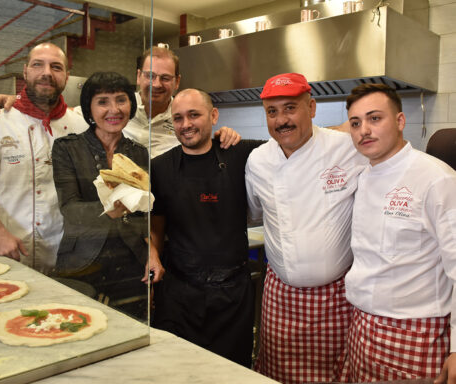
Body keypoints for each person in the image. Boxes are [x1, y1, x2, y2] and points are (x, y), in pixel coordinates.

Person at [244, 73, 367, 383]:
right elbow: (254, 212)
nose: (281, 120)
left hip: (336, 299)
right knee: (276, 376)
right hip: (280, 299)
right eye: (272, 112)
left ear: (312, 108)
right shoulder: (257, 161)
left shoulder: (348, 148)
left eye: (290, 108)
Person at [344, 83, 456, 382]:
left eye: (375, 118)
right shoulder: (364, 175)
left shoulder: (437, 179)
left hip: (415, 334)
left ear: (400, 121)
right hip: (362, 328)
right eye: (355, 123)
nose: (364, 130)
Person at [150, 88, 264, 367]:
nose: (186, 124)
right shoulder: (160, 168)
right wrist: (151, 254)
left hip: (232, 296)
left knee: (230, 372)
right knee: (177, 371)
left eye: (194, 115)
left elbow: (294, 142)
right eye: (178, 118)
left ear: (213, 115)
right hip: (179, 295)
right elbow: (156, 225)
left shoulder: (243, 154)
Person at [0, 43, 86, 274]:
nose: (46, 72)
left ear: (66, 77)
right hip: (9, 253)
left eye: (56, 67)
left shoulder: (80, 124)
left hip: (67, 258)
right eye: (38, 64)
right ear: (25, 71)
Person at [0, 46, 239, 158]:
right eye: (149, 76)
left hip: (171, 214)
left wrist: (224, 134)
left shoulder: (185, 118)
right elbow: (57, 110)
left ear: (177, 81)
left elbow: (204, 142)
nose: (156, 84)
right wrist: (17, 100)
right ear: (138, 76)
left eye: (165, 77)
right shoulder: (120, 110)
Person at [52, 72, 151, 318]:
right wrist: (110, 210)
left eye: (121, 100)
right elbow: (70, 209)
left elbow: (144, 214)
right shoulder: (67, 149)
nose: (113, 109)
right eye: (103, 101)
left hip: (132, 263)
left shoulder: (138, 153)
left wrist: (153, 253)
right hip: (81, 263)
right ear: (89, 108)